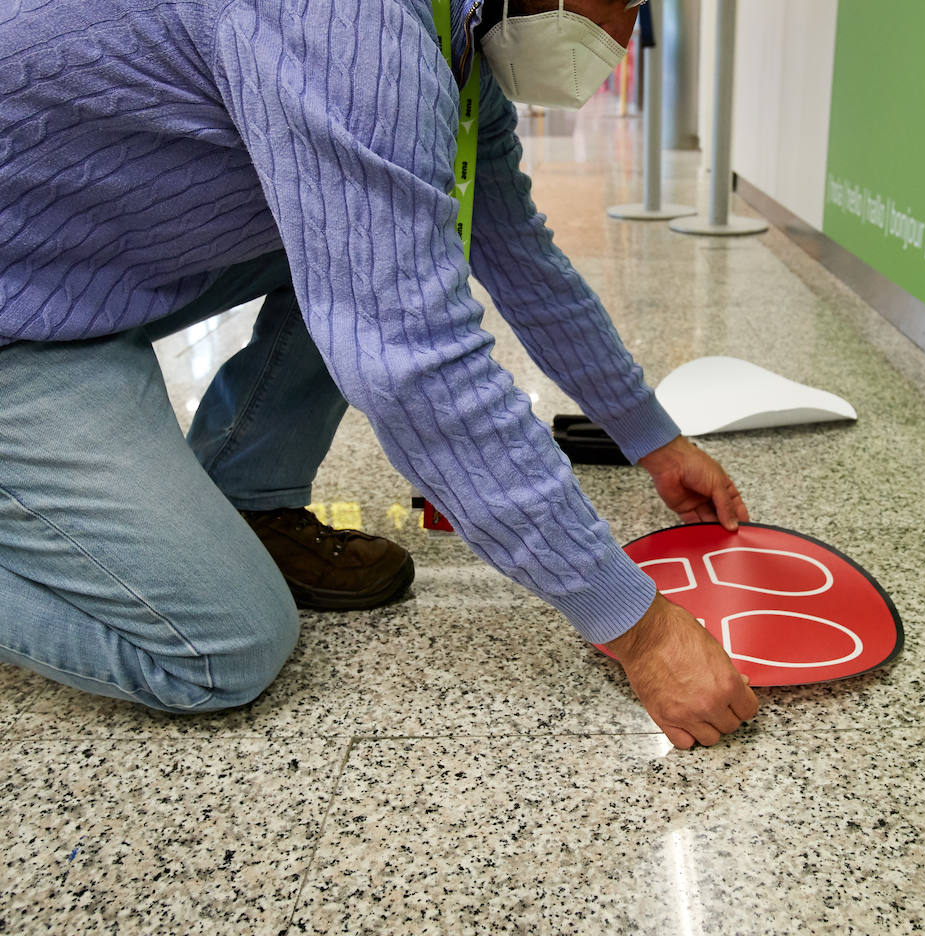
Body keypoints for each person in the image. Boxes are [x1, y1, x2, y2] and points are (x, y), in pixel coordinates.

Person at [0, 0, 757, 748]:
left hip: (71, 274)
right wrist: (640, 629)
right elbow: (410, 357)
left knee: (383, 229)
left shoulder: (448, 34)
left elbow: (517, 254)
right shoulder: (342, 20)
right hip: (20, 328)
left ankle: (250, 498)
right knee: (222, 647)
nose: (621, 38)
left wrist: (650, 437)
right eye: (621, 3)